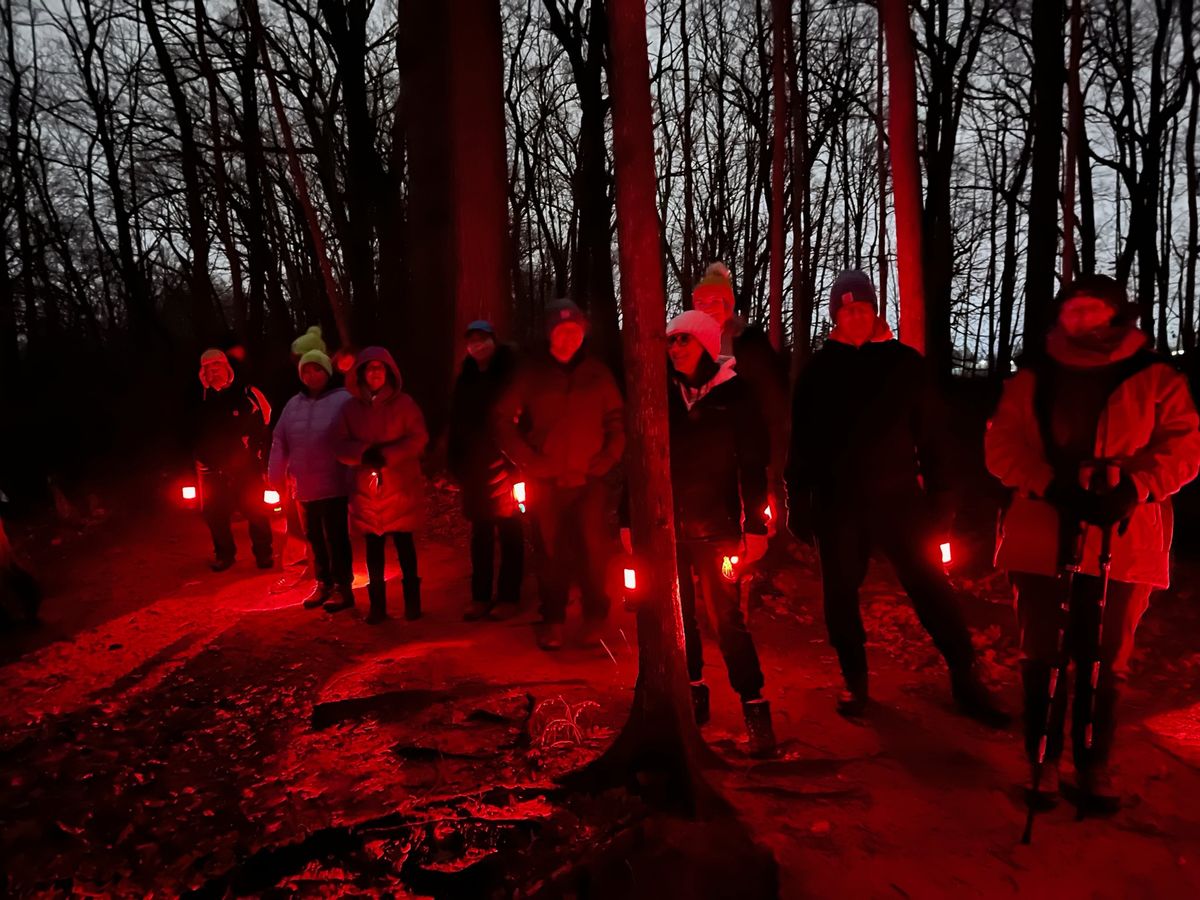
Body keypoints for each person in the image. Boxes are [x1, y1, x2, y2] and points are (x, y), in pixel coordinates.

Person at [986, 274, 1200, 810]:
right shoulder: (1033, 377)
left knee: (1106, 655)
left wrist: (1135, 487)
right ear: (1061, 318)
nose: (1081, 319)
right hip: (1043, 527)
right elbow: (1002, 446)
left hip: (1123, 534)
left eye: (1092, 309)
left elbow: (1184, 448)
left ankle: (1094, 764)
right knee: (1042, 649)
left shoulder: (1155, 378)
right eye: (1073, 310)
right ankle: (1043, 761)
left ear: (1115, 314)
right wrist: (1048, 484)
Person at [786, 269, 1006, 725]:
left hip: (899, 500)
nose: (855, 317)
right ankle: (855, 680)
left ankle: (966, 674)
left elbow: (934, 438)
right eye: (846, 311)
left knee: (929, 585)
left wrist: (942, 501)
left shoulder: (905, 365)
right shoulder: (819, 371)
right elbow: (802, 442)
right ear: (835, 317)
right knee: (841, 593)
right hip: (837, 502)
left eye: (863, 308)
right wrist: (797, 500)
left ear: (875, 312)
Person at [666, 310, 776, 757]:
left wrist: (755, 525)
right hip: (670, 526)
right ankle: (692, 694)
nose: (674, 349)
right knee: (678, 619)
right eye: (671, 341)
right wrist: (628, 519)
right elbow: (645, 454)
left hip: (719, 529)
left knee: (727, 620)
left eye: (684, 341)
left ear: (708, 346)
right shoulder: (664, 395)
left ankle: (755, 708)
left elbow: (753, 465)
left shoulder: (737, 395)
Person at [494, 299, 625, 651]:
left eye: (575, 331)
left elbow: (617, 420)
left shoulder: (597, 374)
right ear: (550, 333)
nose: (569, 338)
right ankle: (552, 618)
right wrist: (529, 461)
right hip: (547, 480)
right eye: (561, 331)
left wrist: (609, 456)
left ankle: (595, 616)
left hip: (589, 479)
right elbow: (503, 421)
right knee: (551, 553)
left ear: (583, 333)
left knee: (593, 550)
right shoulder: (531, 373)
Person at [335, 347, 428, 624]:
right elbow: (338, 443)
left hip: (400, 486)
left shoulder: (405, 404)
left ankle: (413, 603)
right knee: (373, 551)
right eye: (369, 367)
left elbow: (418, 438)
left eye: (380, 367)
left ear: (388, 372)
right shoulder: (350, 409)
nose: (375, 372)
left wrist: (388, 455)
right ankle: (378, 606)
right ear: (361, 372)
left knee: (404, 546)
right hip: (368, 491)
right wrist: (363, 453)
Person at [447, 320, 524, 622]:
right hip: (474, 468)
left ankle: (509, 596)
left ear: (493, 340)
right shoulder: (465, 378)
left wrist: (518, 461)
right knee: (480, 534)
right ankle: (480, 596)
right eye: (472, 341)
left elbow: (521, 416)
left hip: (508, 465)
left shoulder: (510, 374)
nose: (477, 346)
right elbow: (457, 422)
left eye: (482, 339)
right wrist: (456, 463)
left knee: (510, 533)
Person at [268, 348, 354, 612]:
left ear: (327, 372)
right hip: (303, 486)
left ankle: (343, 587)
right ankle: (323, 582)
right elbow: (280, 439)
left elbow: (355, 434)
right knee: (314, 538)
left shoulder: (343, 400)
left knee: (336, 537)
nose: (311, 374)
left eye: (316, 369)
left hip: (334, 483)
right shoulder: (293, 405)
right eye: (306, 370)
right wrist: (275, 474)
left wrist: (355, 470)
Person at [194, 348, 274, 572]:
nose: (213, 371)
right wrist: (202, 456)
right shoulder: (199, 399)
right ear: (203, 373)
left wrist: (257, 450)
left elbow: (265, 420)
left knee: (255, 511)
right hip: (213, 468)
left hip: (245, 466)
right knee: (216, 514)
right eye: (208, 368)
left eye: (216, 365)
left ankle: (263, 554)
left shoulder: (248, 392)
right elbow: (189, 430)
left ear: (226, 367)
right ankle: (224, 555)